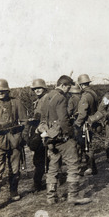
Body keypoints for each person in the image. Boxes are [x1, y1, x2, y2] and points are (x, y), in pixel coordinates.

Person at [38, 75, 91, 205]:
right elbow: (63, 120)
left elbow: (43, 118)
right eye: (68, 87)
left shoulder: (46, 96)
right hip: (62, 137)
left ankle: (51, 197)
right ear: (63, 85)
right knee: (73, 165)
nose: (69, 89)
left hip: (50, 138)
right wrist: (71, 133)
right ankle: (73, 196)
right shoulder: (61, 98)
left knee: (53, 167)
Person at [0, 79, 28, 210]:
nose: (1, 93)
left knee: (15, 169)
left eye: (3, 91)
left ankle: (13, 192)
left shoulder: (16, 102)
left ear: (7, 90)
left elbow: (25, 122)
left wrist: (22, 138)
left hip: (14, 139)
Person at [26, 78, 49, 192]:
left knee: (42, 158)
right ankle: (39, 183)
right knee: (40, 158)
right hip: (39, 131)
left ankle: (39, 183)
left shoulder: (47, 99)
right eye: (35, 89)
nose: (37, 90)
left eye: (39, 88)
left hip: (45, 131)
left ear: (44, 88)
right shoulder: (38, 101)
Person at [74, 74, 99, 176]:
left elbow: (83, 113)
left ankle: (90, 168)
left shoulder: (85, 96)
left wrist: (77, 124)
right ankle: (91, 167)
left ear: (80, 85)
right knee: (88, 145)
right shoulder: (93, 93)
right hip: (92, 122)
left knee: (86, 146)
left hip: (86, 124)